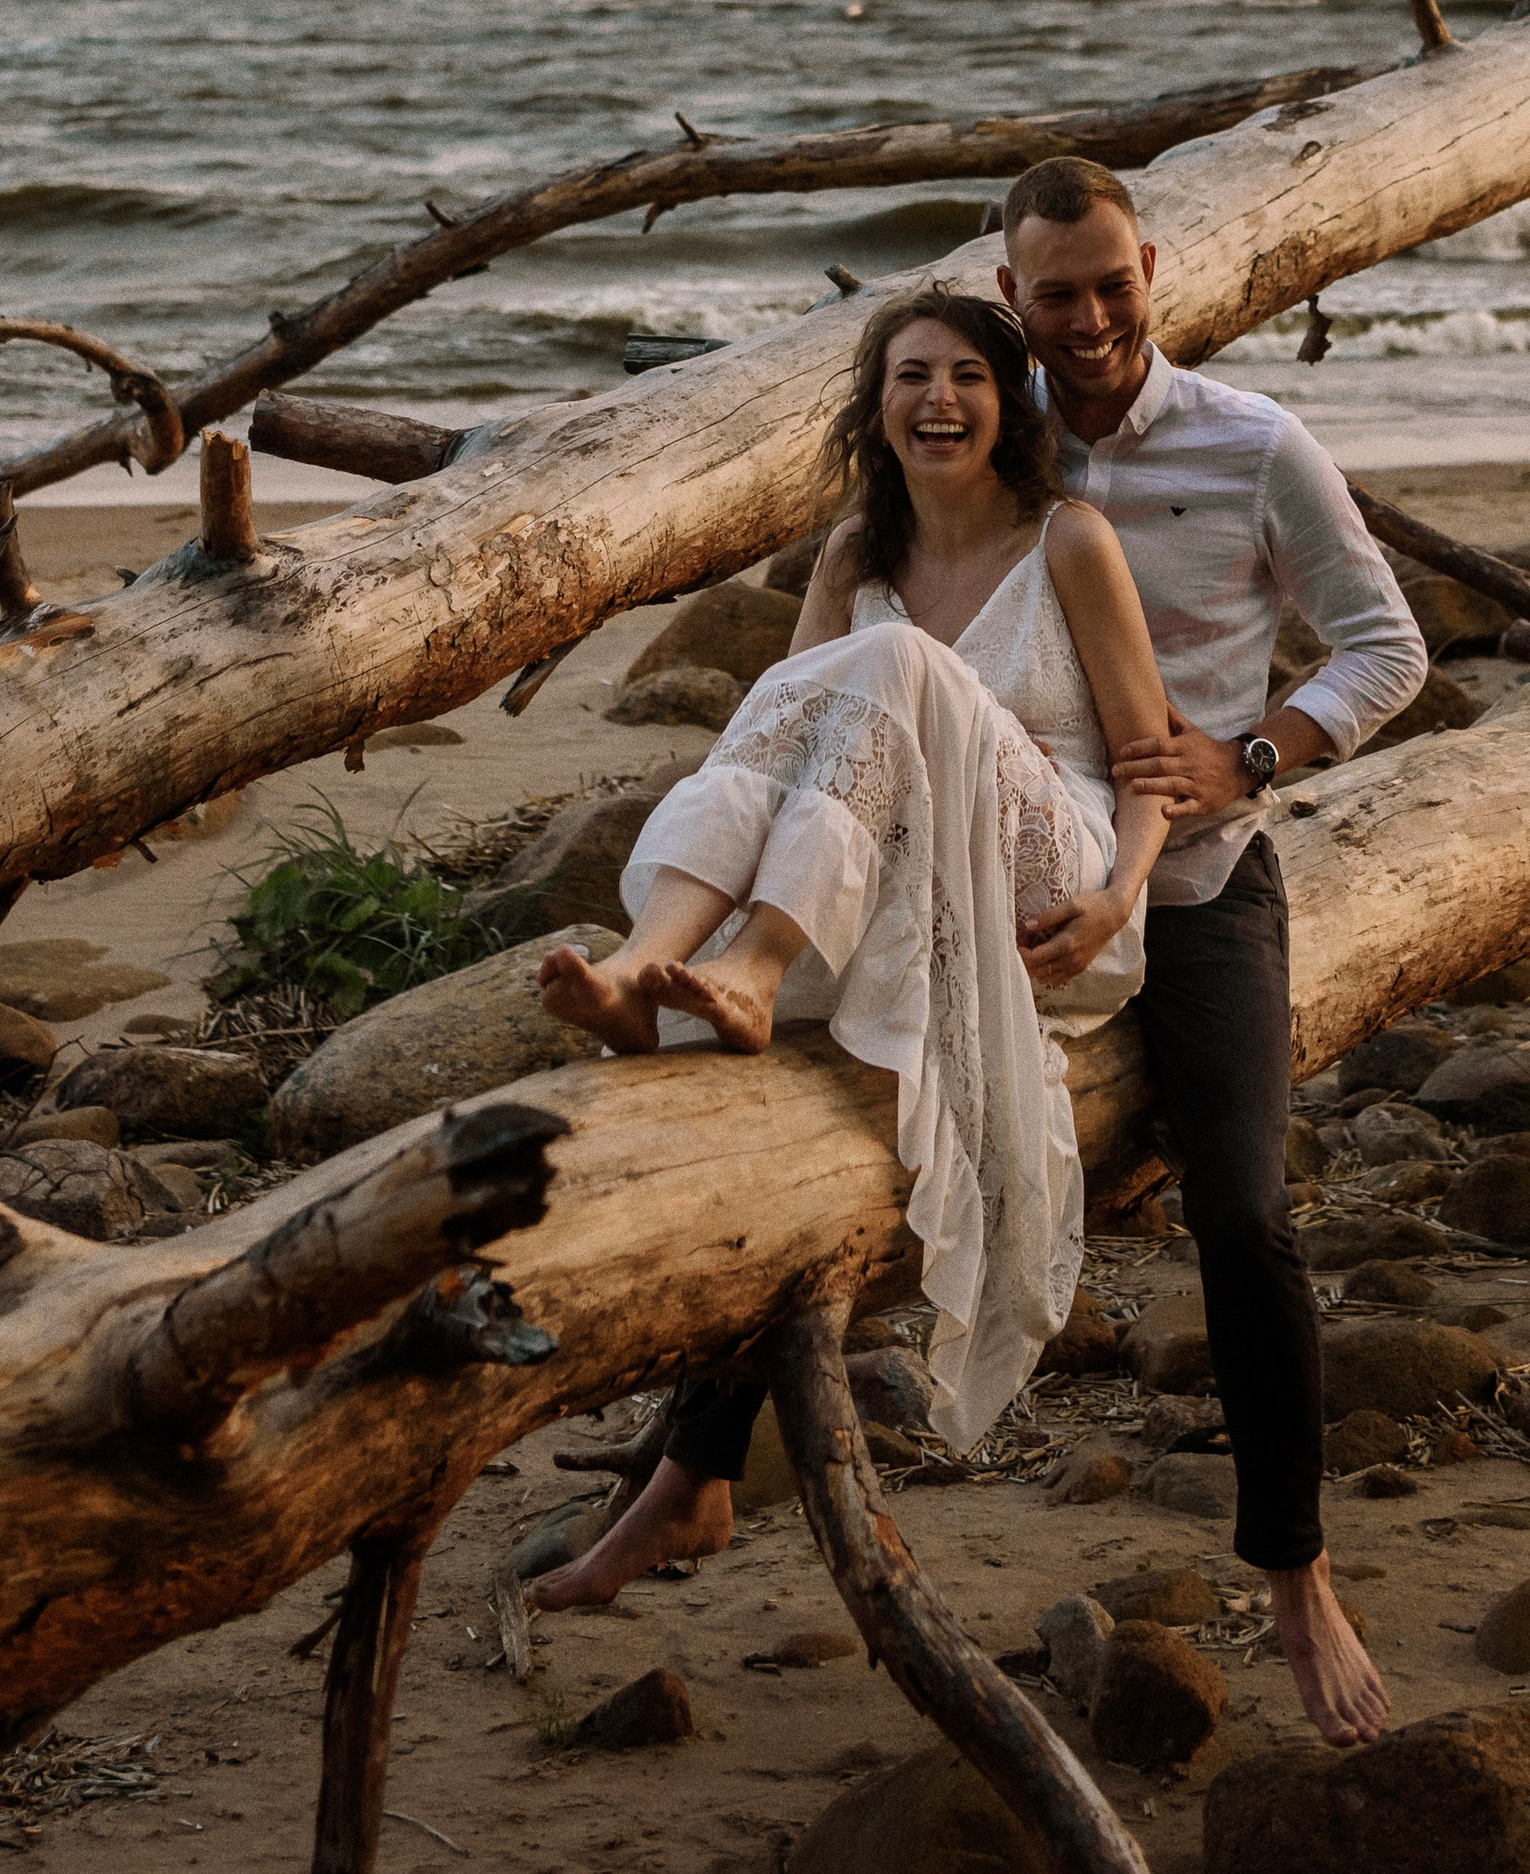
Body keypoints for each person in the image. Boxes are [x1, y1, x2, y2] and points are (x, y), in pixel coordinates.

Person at [542, 159, 1426, 1755]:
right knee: (787, 1135)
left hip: (1187, 868)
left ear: (1150, 270)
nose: (1087, 318)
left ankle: (1296, 1571)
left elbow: (1390, 642)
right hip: (923, 864)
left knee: (1243, 1206)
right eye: (1054, 296)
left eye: (1112, 285)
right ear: (1009, 301)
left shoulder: (1248, 443)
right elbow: (802, 717)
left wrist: (1259, 752)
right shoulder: (960, 449)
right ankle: (694, 1465)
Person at [535, 282, 1173, 1459]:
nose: (939, 399)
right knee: (798, 697)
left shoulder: (1067, 538)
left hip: (1055, 879)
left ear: (1010, 402)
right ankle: (644, 965)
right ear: (876, 409)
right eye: (911, 378)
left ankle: (757, 966)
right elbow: (781, 744)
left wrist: (1118, 895)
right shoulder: (852, 550)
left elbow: (1147, 759)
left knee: (888, 656)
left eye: (967, 377)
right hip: (899, 882)